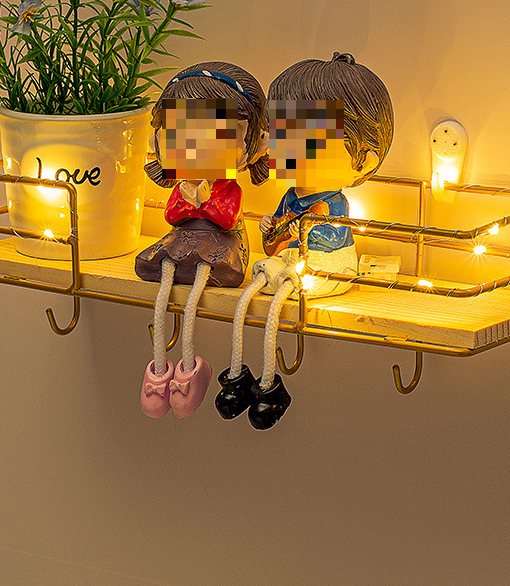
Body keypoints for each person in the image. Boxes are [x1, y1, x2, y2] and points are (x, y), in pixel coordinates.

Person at [215, 52, 393, 429]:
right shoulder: (292, 197)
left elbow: (329, 238)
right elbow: (275, 242)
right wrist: (272, 228)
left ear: (364, 161)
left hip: (327, 268)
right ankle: (238, 372)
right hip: (293, 265)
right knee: (257, 282)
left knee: (281, 287)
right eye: (282, 133)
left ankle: (269, 384)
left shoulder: (333, 203)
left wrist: (301, 233)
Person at [135, 63, 269, 418]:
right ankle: (160, 367)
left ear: (252, 143)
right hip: (183, 238)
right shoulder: (184, 186)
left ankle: (191, 368)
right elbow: (172, 215)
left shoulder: (227, 187)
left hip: (219, 243)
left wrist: (204, 202)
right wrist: (190, 198)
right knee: (163, 267)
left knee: (203, 278)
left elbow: (227, 217)